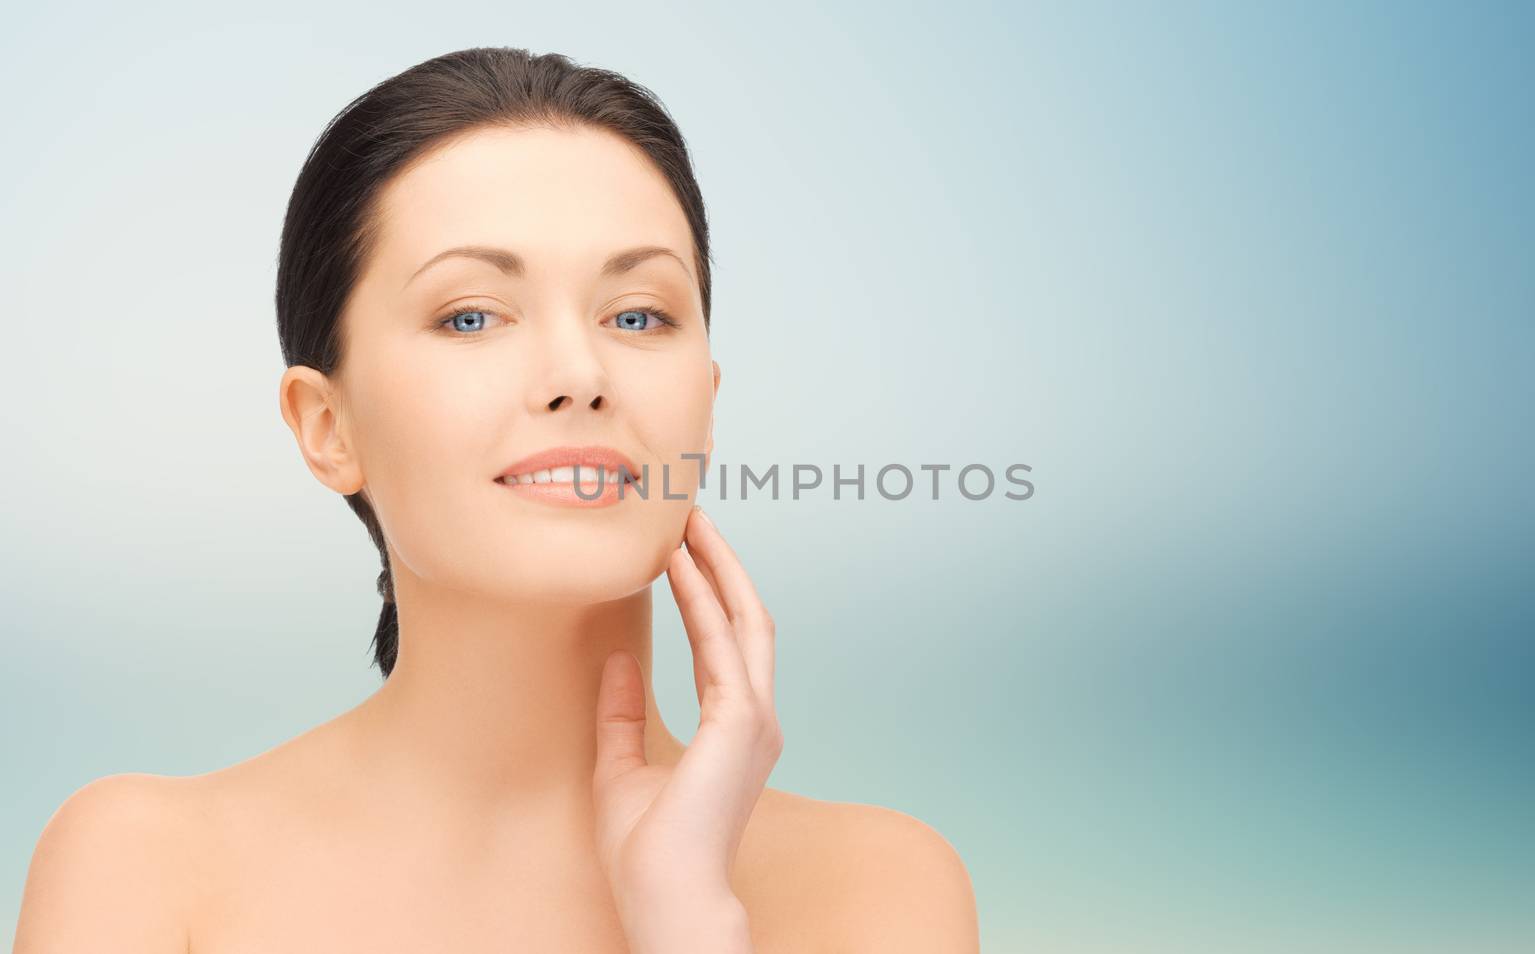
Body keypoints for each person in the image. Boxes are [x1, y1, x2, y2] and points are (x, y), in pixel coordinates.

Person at [13, 47, 979, 953]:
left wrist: (689, 920)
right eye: (471, 315)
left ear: (707, 409)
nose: (579, 374)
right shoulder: (144, 871)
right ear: (325, 426)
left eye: (638, 315)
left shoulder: (880, 891)